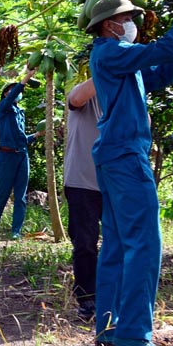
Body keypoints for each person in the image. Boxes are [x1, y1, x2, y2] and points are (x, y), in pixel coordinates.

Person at [87, 0, 173, 346]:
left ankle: (110, 326)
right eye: (127, 18)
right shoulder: (109, 51)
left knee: (116, 243)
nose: (133, 24)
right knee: (145, 242)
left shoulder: (119, 57)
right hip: (126, 155)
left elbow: (159, 74)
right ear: (110, 25)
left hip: (116, 154)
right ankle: (133, 333)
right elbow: (158, 52)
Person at [0, 68, 41, 239]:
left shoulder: (20, 113)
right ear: (5, 95)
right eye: (11, 91)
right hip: (6, 156)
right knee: (2, 194)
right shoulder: (3, 108)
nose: (16, 93)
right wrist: (26, 78)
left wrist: (38, 134)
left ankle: (16, 231)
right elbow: (12, 95)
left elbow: (21, 138)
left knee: (20, 196)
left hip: (22, 156)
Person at [63, 77, 101, 322]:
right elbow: (75, 99)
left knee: (118, 242)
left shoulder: (123, 94)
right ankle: (87, 299)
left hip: (113, 181)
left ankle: (109, 295)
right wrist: (110, 66)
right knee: (85, 243)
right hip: (81, 181)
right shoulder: (84, 93)